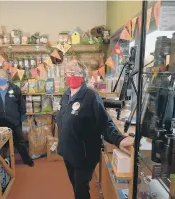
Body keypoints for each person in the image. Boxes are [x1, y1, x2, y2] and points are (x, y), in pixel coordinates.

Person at [56, 60, 134, 199]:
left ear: (83, 76)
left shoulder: (91, 97)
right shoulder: (66, 95)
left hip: (84, 154)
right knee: (75, 185)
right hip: (68, 151)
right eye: (68, 73)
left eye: (75, 73)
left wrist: (119, 139)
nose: (71, 76)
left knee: (81, 190)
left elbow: (104, 122)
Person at [0, 69, 34, 167]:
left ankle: (27, 160)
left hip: (14, 121)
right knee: (0, 145)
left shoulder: (15, 89)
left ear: (6, 78)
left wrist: (23, 118)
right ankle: (2, 163)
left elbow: (21, 105)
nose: (1, 79)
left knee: (20, 142)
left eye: (3, 77)